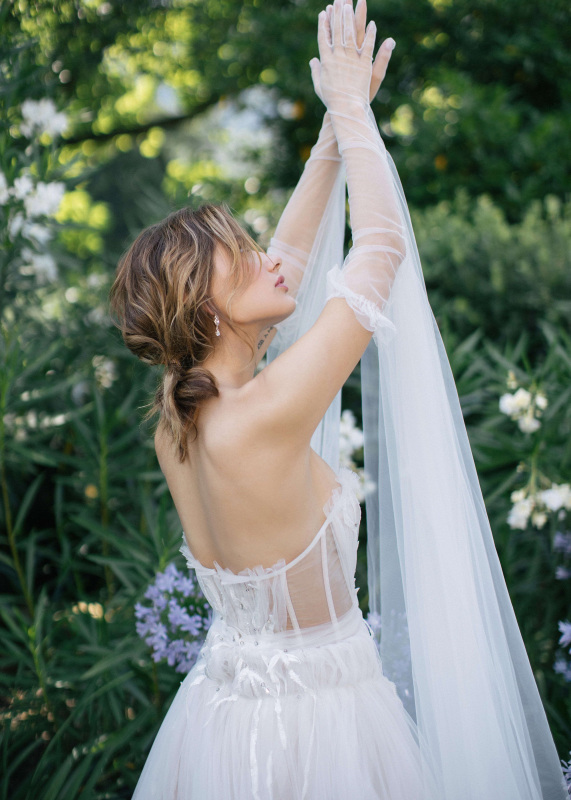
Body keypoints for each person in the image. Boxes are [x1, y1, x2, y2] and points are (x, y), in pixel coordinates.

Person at [110, 1, 568, 798]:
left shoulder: (183, 415)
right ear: (210, 311)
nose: (270, 259)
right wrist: (356, 113)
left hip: (223, 722)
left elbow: (289, 258)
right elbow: (381, 248)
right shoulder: (265, 412)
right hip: (322, 729)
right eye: (242, 258)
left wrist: (327, 138)